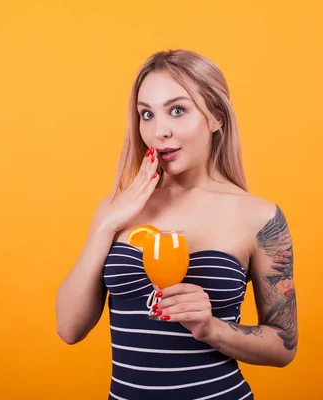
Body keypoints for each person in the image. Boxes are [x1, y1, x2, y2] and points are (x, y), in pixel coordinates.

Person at [55, 49, 298, 399]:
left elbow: (284, 345)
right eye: (147, 114)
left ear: (216, 117)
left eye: (178, 110)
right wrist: (106, 225)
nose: (159, 131)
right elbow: (69, 328)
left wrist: (211, 328)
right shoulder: (117, 209)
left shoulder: (260, 218)